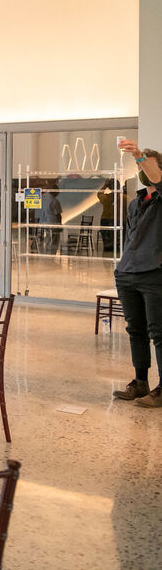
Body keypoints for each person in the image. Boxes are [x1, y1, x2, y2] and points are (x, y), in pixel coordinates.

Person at [112, 141, 162, 408]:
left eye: (146, 165)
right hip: (128, 272)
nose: (141, 169)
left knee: (159, 332)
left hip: (154, 273)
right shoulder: (136, 202)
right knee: (136, 331)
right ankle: (140, 381)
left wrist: (140, 155)